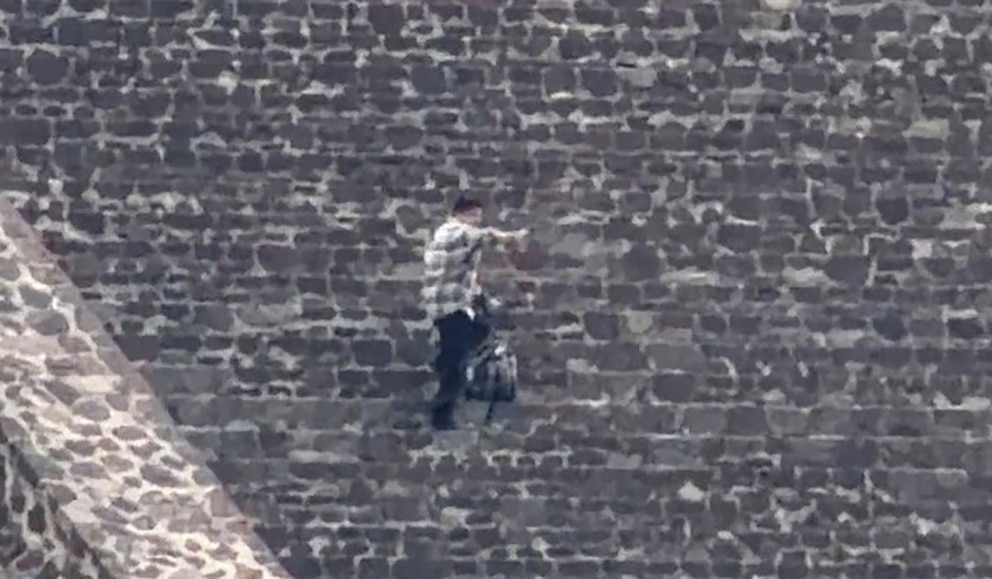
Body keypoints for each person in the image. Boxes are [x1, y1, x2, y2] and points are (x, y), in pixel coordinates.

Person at [422, 196, 527, 430]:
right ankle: (442, 415)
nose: (477, 221)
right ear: (460, 214)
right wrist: (509, 238)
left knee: (481, 339)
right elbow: (483, 235)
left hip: (451, 308)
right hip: (452, 311)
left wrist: (482, 298)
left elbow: (459, 274)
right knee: (455, 364)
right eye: (473, 216)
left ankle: (452, 368)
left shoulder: (447, 237)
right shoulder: (454, 232)